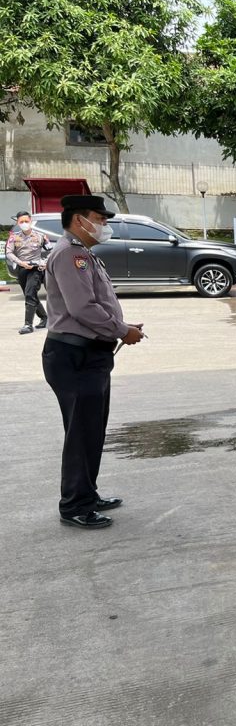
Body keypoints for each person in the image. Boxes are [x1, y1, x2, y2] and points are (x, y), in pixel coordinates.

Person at [43, 195, 145, 529]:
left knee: (92, 430)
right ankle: (75, 505)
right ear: (79, 220)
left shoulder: (83, 254)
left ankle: (87, 493)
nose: (103, 226)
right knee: (81, 433)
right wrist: (122, 331)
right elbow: (82, 308)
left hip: (89, 354)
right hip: (74, 355)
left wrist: (121, 327)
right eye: (99, 219)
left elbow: (96, 303)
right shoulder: (70, 255)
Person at [6, 211, 50, 334]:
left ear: (30, 221)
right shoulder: (14, 237)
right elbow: (9, 253)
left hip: (36, 269)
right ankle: (45, 318)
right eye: (21, 221)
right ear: (18, 223)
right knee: (29, 295)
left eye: (26, 221)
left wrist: (45, 262)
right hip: (22, 269)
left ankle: (28, 324)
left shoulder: (41, 236)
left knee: (30, 293)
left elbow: (51, 251)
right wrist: (20, 262)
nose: (24, 223)